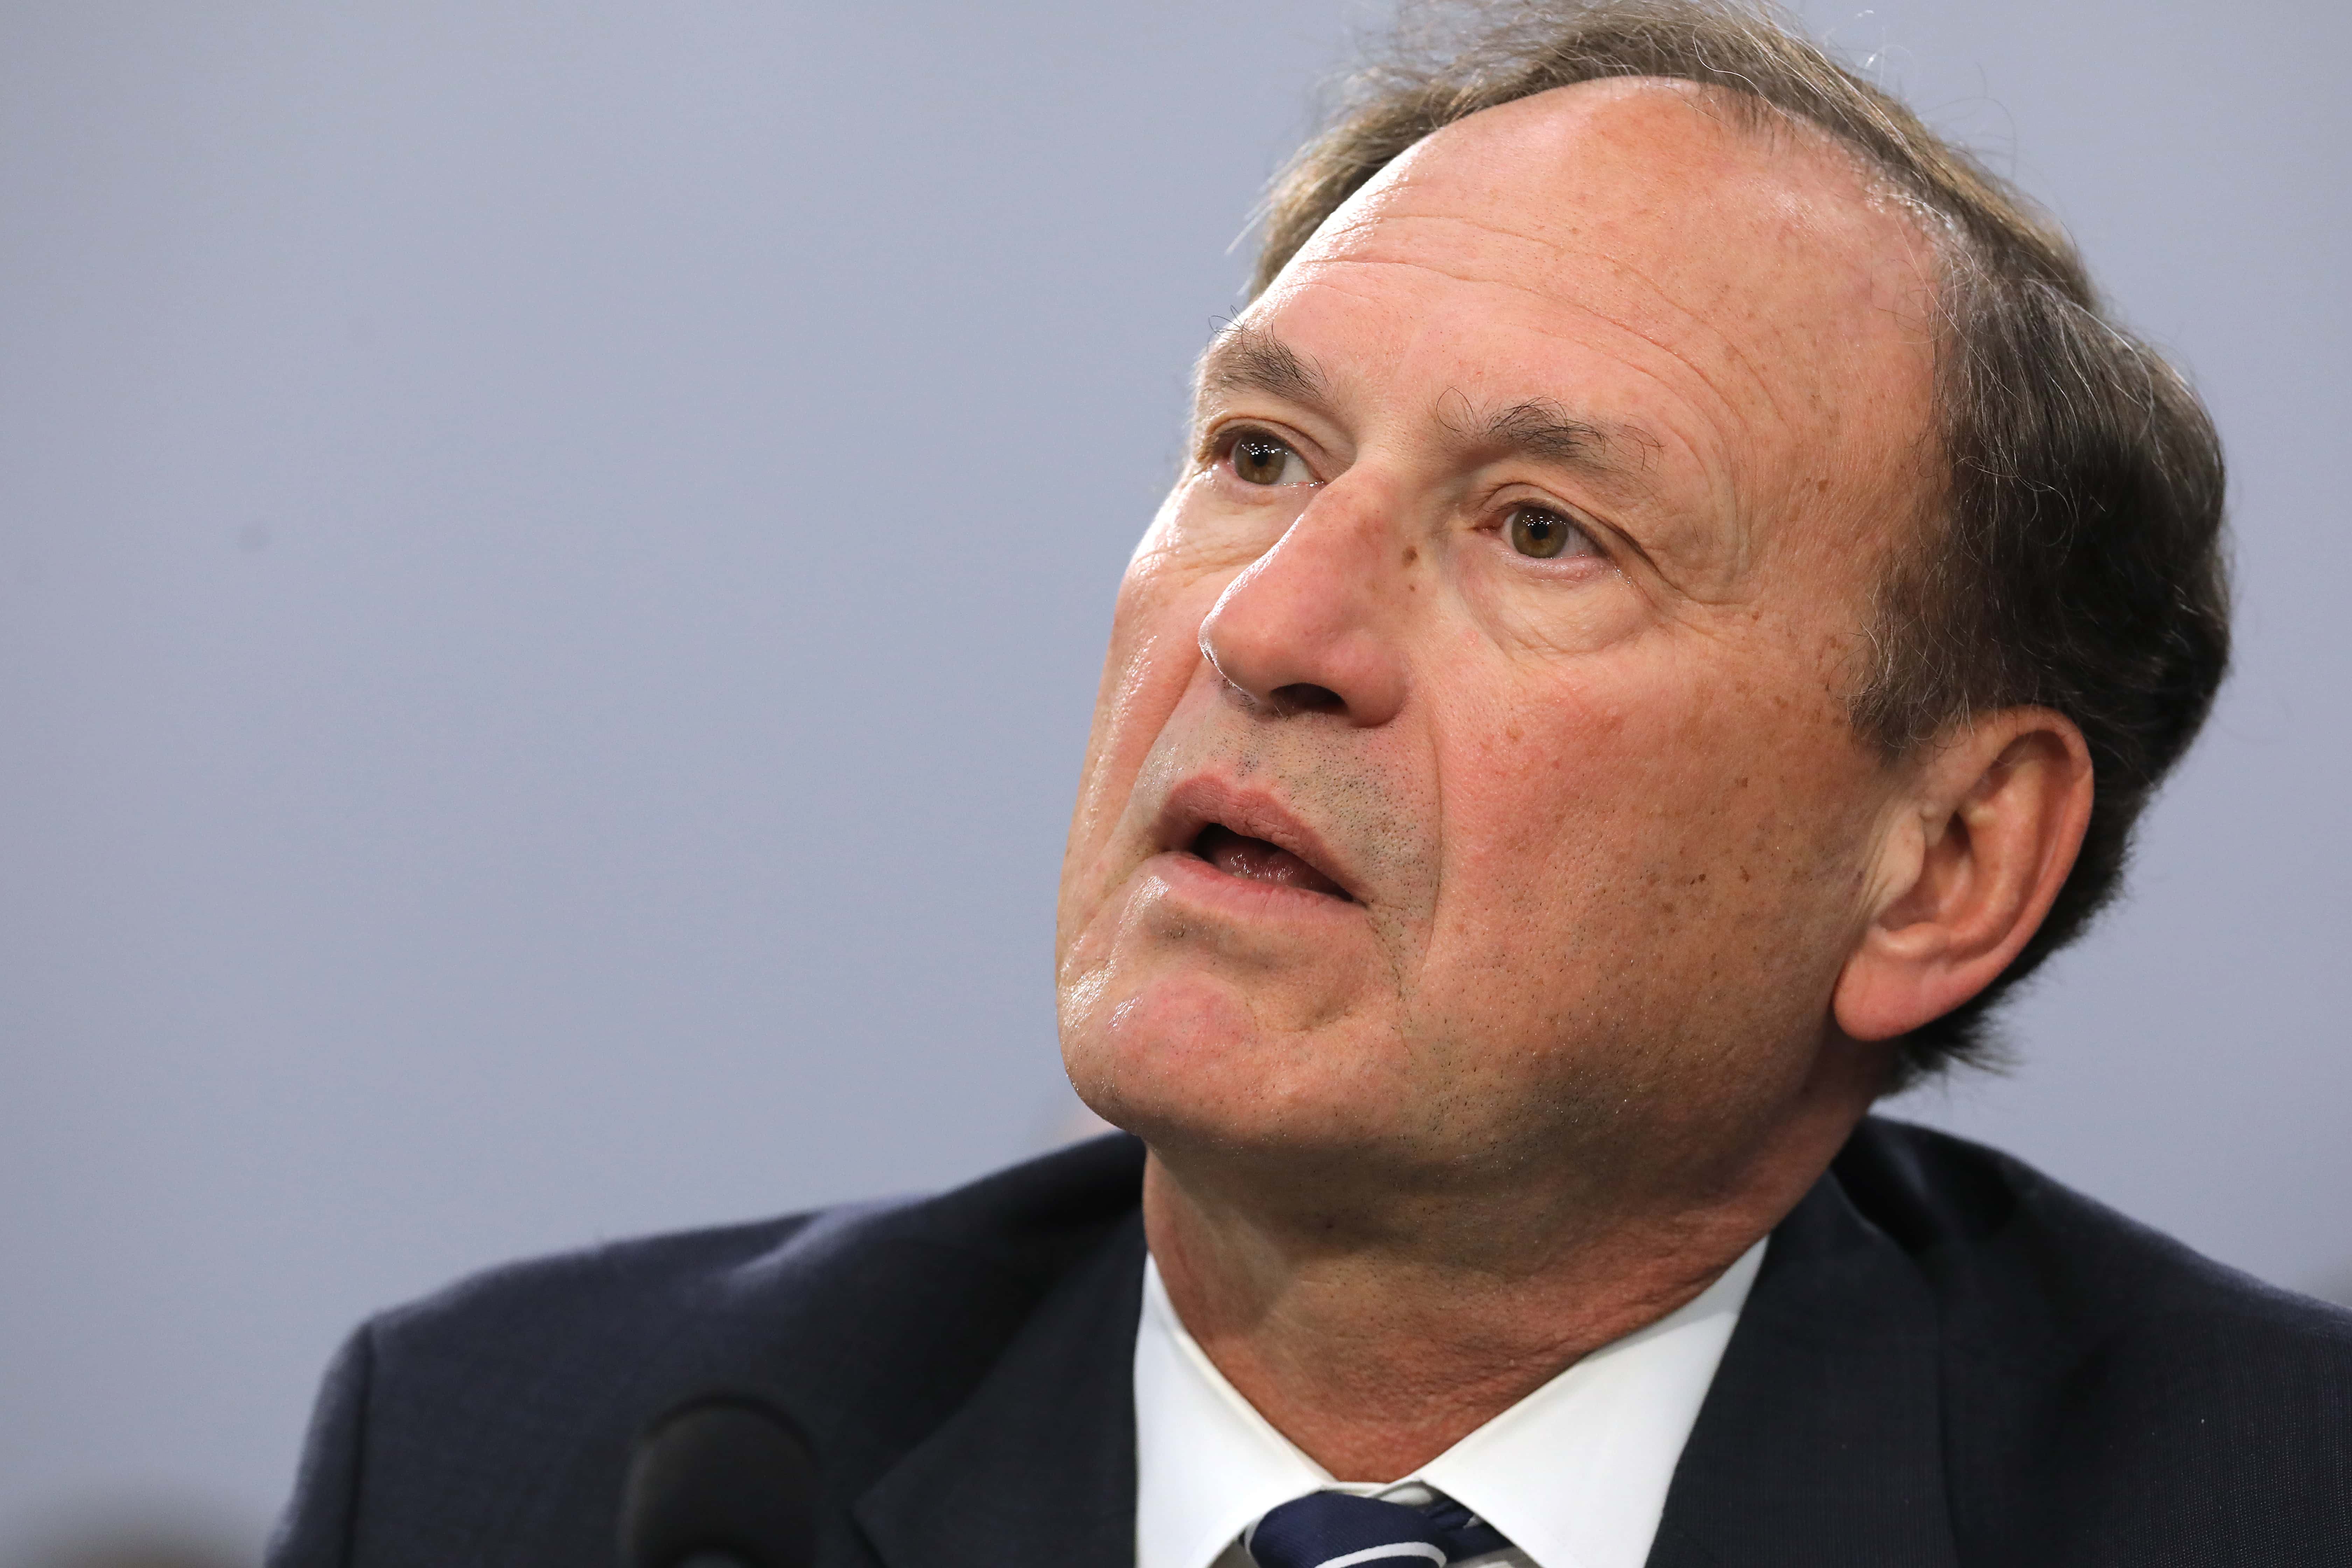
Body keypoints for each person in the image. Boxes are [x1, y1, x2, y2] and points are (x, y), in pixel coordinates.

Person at [267, 2, 2352, 1564]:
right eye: (1260, 455)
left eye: (1543, 528)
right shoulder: (508, 1468)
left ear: (1944, 866)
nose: (1268, 631)